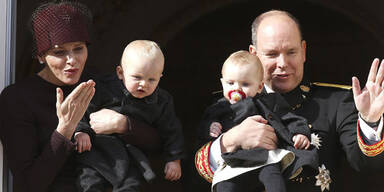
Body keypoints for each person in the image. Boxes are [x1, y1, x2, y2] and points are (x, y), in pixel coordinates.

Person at [195, 10, 384, 191]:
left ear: (303, 51)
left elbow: (367, 166)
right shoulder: (222, 104)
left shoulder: (336, 102)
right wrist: (229, 140)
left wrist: (371, 121)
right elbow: (189, 174)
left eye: (291, 52)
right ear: (254, 54)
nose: (282, 63)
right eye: (272, 54)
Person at [0, 2, 160, 192]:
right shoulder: (18, 99)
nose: (72, 60)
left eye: (78, 48)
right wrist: (64, 131)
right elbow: (28, 184)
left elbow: (158, 143)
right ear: (41, 56)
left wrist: (123, 124)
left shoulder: (98, 83)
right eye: (59, 52)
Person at [198, 50, 318, 192]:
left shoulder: (269, 102)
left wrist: (299, 133)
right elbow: (203, 127)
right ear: (222, 83)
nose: (236, 88)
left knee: (272, 177)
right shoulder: (218, 107)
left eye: (245, 84)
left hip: (264, 157)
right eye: (230, 83)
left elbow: (290, 118)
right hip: (234, 160)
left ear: (259, 86)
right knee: (225, 185)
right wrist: (211, 127)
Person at [74, 40, 185, 191]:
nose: (144, 84)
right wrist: (81, 131)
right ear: (120, 73)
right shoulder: (103, 88)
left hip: (131, 157)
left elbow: (171, 130)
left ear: (160, 77)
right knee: (89, 183)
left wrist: (174, 159)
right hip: (97, 151)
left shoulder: (162, 101)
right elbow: (83, 109)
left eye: (152, 79)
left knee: (130, 186)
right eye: (137, 77)